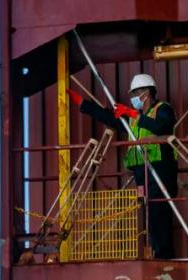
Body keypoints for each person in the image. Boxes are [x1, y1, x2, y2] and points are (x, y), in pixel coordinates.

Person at [68, 73, 178, 259]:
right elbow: (108, 116)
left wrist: (133, 113)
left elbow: (162, 128)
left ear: (147, 93)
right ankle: (157, 252)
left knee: (160, 212)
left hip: (161, 169)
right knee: (150, 214)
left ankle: (164, 255)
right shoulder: (133, 118)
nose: (133, 97)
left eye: (136, 92)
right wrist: (82, 104)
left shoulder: (163, 109)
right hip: (141, 172)